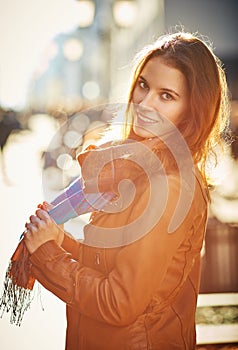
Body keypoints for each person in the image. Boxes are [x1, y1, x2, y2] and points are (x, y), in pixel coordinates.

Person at [23, 31, 230, 350]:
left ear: (193, 109)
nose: (144, 104)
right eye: (143, 86)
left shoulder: (168, 185)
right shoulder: (136, 168)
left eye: (167, 96)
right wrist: (57, 239)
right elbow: (114, 264)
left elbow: (119, 302)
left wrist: (47, 254)